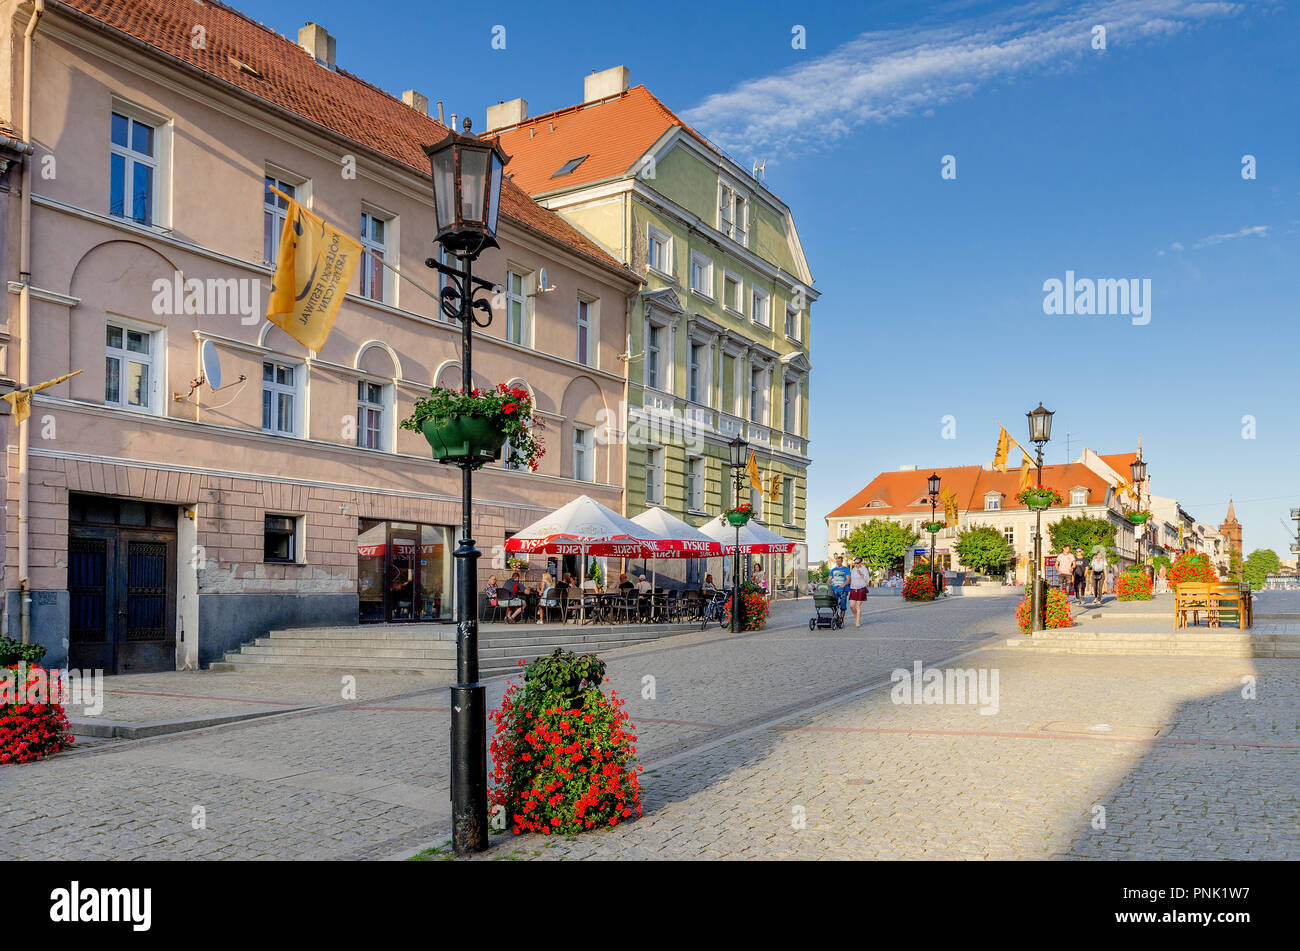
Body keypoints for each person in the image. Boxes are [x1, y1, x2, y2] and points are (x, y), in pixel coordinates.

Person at [848, 556, 870, 628]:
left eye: (857, 563)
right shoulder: (853, 569)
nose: (856, 564)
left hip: (861, 589)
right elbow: (851, 580)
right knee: (851, 606)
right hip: (853, 589)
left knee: (858, 605)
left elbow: (867, 580)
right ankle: (857, 615)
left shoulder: (864, 569)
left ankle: (857, 622)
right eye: (855, 563)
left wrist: (861, 574)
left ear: (861, 563)